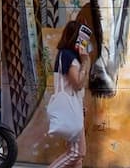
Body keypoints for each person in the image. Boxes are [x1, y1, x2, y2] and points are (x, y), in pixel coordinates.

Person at [47, 19, 94, 168]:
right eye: (83, 39)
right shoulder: (67, 55)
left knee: (78, 157)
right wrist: (85, 62)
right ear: (76, 37)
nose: (85, 43)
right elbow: (78, 84)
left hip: (73, 108)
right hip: (70, 109)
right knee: (76, 153)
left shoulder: (68, 55)